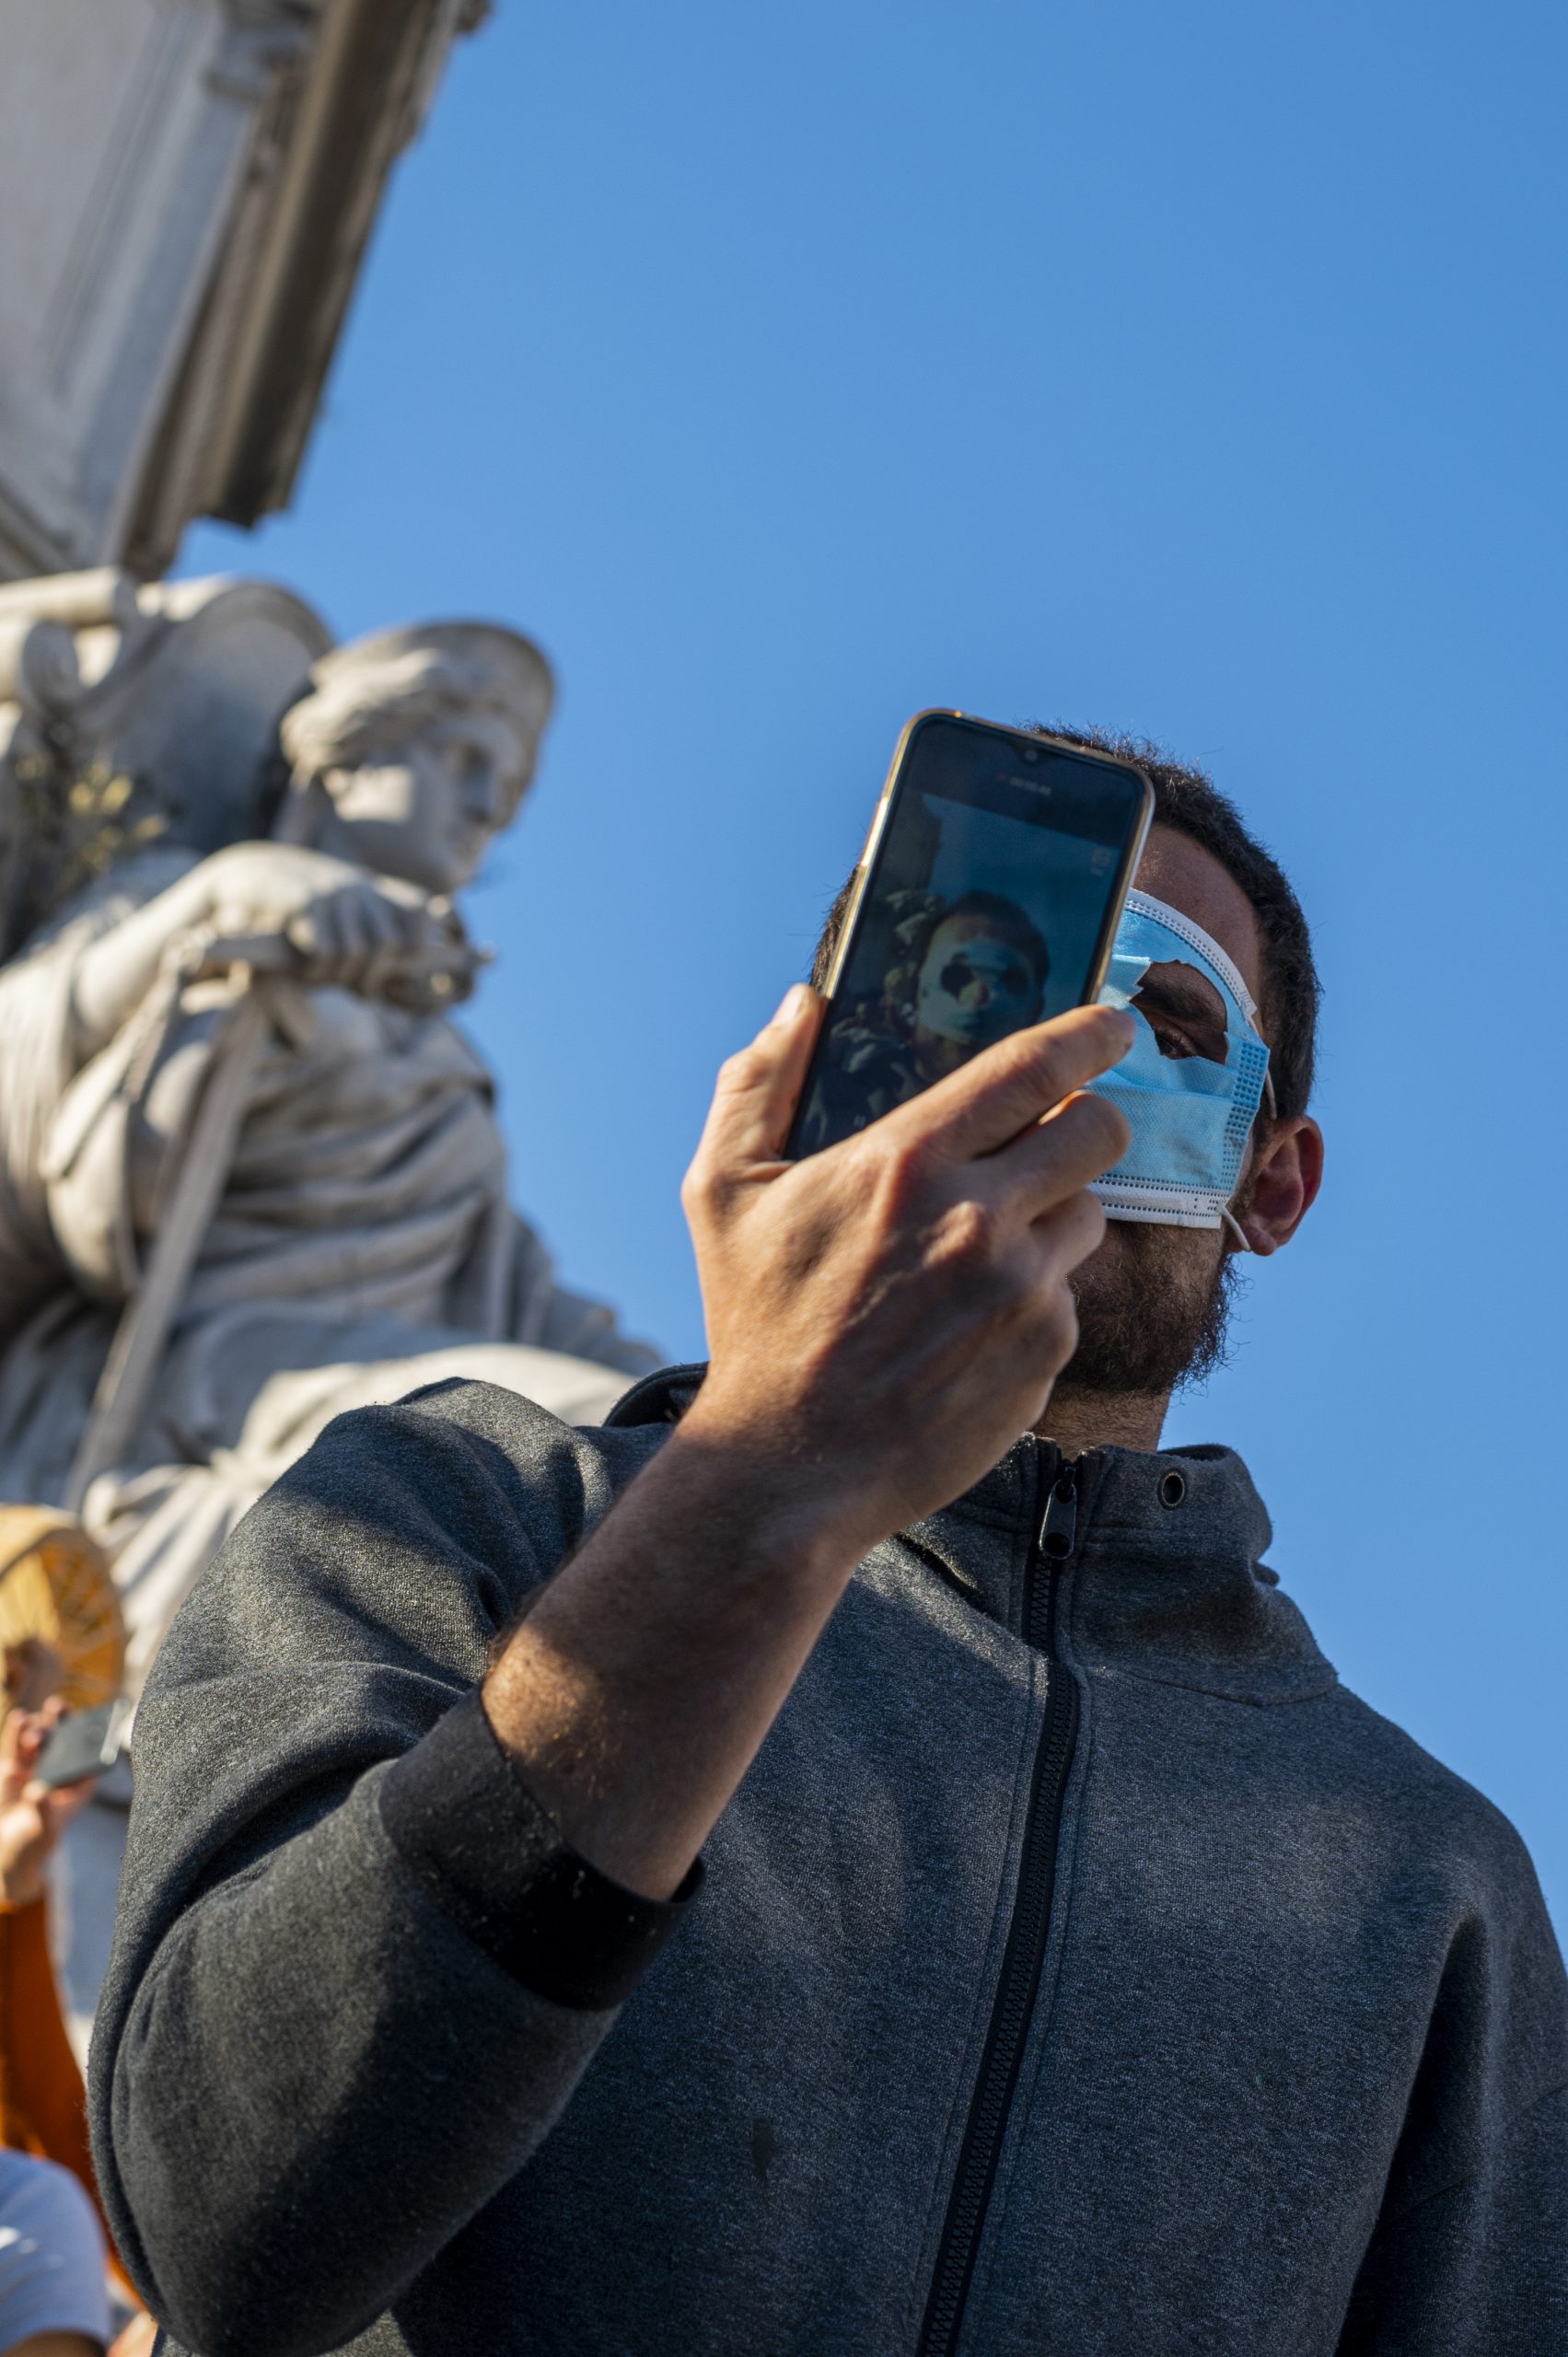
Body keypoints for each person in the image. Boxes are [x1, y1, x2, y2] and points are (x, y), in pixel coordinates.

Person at [88, 732, 1565, 2355]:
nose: (1063, 1065)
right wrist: (765, 1477)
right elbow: (209, 2225)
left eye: (1162, 1017)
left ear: (1266, 1183)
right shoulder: (445, 1518)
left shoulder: (1427, 1893)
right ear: (812, 1071)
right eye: (979, 980)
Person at [800, 888, 1051, 1148]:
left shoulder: (1050, 1139)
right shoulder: (830, 1102)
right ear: (920, 988)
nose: (977, 998)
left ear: (1035, 1010)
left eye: (1006, 982)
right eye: (958, 976)